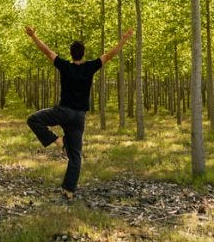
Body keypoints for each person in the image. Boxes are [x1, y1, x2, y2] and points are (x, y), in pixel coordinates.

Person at [24, 24, 134, 199]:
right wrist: (124, 40)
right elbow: (111, 55)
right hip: (79, 117)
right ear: (84, 53)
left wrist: (33, 36)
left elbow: (46, 51)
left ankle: (58, 140)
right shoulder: (90, 67)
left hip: (63, 112)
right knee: (75, 156)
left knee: (33, 119)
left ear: (71, 53)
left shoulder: (64, 66)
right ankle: (68, 190)